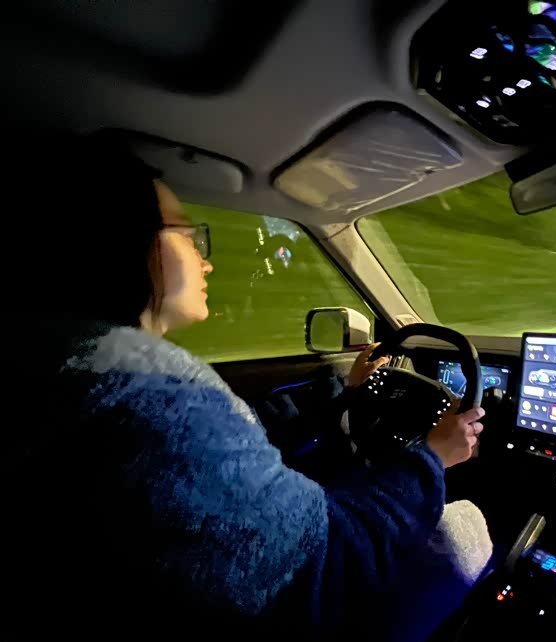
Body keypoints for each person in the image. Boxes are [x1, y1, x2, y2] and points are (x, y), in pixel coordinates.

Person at [6, 134, 491, 640]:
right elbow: (328, 558)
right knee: (465, 533)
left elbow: (243, 433)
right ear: (124, 240)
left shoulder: (81, 376)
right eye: (187, 235)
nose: (206, 260)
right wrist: (432, 459)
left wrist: (344, 392)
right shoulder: (151, 400)